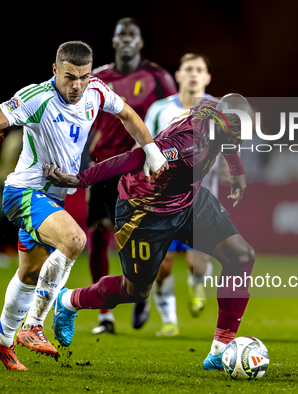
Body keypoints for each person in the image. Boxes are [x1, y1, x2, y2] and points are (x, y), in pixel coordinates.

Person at [0, 41, 168, 371]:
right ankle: (33, 326)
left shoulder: (96, 91)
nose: (77, 86)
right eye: (70, 77)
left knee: (29, 275)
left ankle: (1, 339)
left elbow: (128, 114)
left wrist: (152, 152)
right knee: (75, 240)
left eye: (84, 77)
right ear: (55, 71)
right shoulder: (36, 97)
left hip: (51, 198)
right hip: (23, 193)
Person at [47, 94, 255, 371]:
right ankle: (69, 300)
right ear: (220, 120)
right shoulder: (189, 143)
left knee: (241, 255)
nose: (239, 137)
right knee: (135, 290)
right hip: (145, 211)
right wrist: (81, 179)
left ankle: (220, 350)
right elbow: (135, 158)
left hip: (188, 200)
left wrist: (236, 170)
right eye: (236, 128)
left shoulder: (216, 111)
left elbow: (227, 139)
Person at [86, 17, 177, 335]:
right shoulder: (97, 78)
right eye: (120, 34)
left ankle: (140, 292)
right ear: (113, 41)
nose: (125, 39)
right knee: (100, 234)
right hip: (105, 166)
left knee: (140, 240)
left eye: (132, 34)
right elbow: (82, 121)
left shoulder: (158, 77)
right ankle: (104, 315)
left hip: (142, 170)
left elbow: (172, 118)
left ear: (140, 42)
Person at [144, 53, 215, 336]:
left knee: (198, 262)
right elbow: (144, 145)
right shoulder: (160, 110)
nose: (194, 74)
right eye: (189, 69)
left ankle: (198, 283)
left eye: (200, 69)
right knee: (164, 265)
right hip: (163, 198)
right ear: (178, 75)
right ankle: (169, 320)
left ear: (207, 77)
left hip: (201, 198)